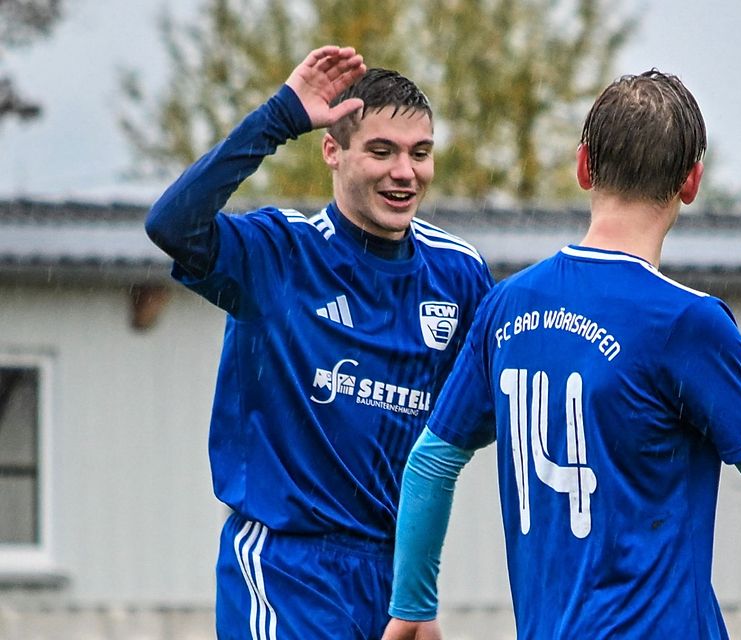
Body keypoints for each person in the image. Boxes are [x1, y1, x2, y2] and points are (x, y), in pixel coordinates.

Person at [381, 70, 741, 640]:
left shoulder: (506, 307)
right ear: (691, 182)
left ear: (583, 166)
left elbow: (430, 463)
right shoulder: (686, 322)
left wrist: (412, 607)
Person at [145, 46, 494, 639]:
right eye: (381, 151)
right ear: (332, 150)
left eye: (420, 153)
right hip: (285, 569)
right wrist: (279, 116)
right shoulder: (281, 253)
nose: (404, 172)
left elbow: (492, 400)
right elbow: (172, 225)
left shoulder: (457, 273)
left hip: (392, 580)